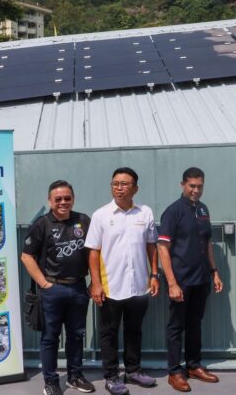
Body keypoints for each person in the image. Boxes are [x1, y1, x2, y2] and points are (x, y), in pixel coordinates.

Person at [86, 167, 159, 395]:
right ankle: (111, 376)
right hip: (110, 287)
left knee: (134, 330)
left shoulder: (145, 213)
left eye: (124, 184)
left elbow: (151, 246)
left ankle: (133, 370)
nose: (119, 188)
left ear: (135, 188)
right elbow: (93, 252)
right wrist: (96, 283)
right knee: (109, 332)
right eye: (115, 184)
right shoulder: (100, 215)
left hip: (139, 285)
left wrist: (154, 275)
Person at [21, 180, 94, 395]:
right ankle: (51, 382)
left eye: (67, 198)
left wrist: (95, 282)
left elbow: (94, 252)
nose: (63, 202)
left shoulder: (83, 220)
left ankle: (74, 376)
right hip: (53, 290)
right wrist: (44, 283)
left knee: (76, 335)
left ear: (73, 199)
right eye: (58, 199)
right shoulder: (42, 224)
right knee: (50, 337)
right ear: (50, 201)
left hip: (78, 288)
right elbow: (26, 256)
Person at [158, 167, 223, 392]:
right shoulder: (172, 212)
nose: (196, 190)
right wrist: (172, 283)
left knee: (195, 324)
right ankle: (174, 372)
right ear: (183, 185)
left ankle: (194, 366)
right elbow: (163, 248)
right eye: (192, 186)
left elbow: (207, 243)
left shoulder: (203, 210)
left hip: (201, 279)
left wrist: (214, 272)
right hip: (181, 280)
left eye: (199, 186)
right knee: (176, 327)